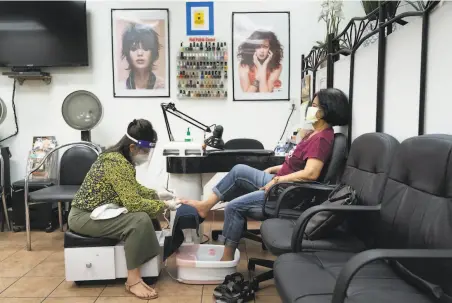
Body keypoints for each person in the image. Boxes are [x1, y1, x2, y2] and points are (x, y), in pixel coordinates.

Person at [182, 88, 350, 261]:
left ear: (326, 110)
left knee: (233, 207)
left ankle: (226, 257)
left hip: (287, 192)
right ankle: (205, 206)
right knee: (239, 170)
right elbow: (295, 164)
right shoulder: (313, 133)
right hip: (281, 182)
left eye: (314, 105)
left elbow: (311, 173)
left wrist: (278, 179)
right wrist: (274, 169)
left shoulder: (322, 138)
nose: (310, 109)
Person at [68, 119, 175, 300]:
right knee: (139, 219)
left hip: (97, 212)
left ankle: (147, 268)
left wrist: (156, 194)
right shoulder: (115, 163)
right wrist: (163, 205)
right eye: (145, 151)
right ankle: (132, 281)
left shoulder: (120, 159)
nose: (146, 156)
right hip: (83, 216)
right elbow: (133, 204)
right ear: (132, 147)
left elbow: (133, 188)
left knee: (145, 217)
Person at [121, 23, 165, 90]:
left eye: (145, 48)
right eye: (134, 48)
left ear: (153, 52)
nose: (140, 53)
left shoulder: (164, 87)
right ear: (127, 52)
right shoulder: (120, 88)